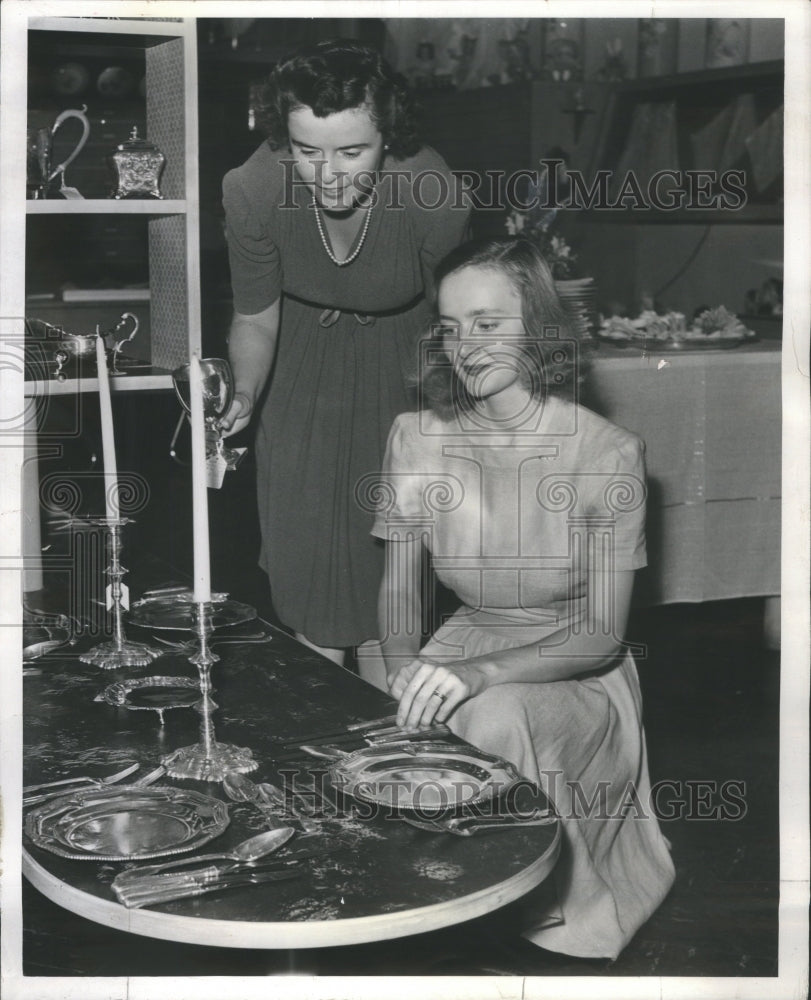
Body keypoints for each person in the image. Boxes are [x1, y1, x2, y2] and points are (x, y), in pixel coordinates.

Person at [372, 237, 675, 959]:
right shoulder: (414, 437)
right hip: (457, 644)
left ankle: (515, 912)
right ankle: (436, 906)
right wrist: (401, 670)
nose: (463, 346)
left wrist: (477, 675)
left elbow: (601, 635)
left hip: (569, 665)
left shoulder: (605, 452)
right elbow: (395, 593)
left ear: (536, 326)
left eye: (487, 323)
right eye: (449, 327)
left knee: (493, 711)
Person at [219, 39, 470, 668]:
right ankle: (325, 744)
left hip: (404, 376)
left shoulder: (431, 191)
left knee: (391, 584)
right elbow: (254, 315)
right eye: (308, 152)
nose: (329, 174)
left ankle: (394, 749)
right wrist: (246, 392)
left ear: (390, 136)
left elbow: (457, 319)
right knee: (306, 569)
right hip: (300, 377)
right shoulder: (252, 189)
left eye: (352, 151)